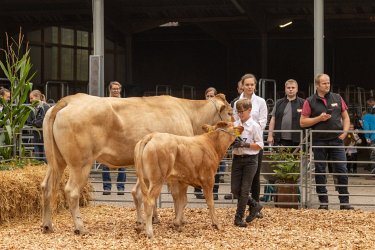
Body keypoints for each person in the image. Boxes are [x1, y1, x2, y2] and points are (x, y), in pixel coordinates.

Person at [300, 73, 353, 210]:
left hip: (336, 141)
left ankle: (344, 202)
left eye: (328, 82)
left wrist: (345, 132)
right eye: (324, 83)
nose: (327, 85)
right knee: (320, 171)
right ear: (317, 85)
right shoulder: (309, 101)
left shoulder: (337, 98)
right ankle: (323, 202)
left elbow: (346, 118)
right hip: (319, 141)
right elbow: (303, 122)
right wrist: (319, 119)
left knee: (342, 170)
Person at [230, 73, 268, 219]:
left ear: (255, 86)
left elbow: (263, 121)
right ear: (242, 86)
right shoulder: (237, 102)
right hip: (240, 140)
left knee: (255, 177)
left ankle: (256, 207)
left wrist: (251, 131)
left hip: (253, 139)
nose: (250, 87)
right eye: (247, 84)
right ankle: (252, 204)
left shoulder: (261, 101)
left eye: (252, 84)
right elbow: (234, 119)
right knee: (240, 184)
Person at [231, 98, 264, 227]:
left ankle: (238, 217)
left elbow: (260, 145)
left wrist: (246, 144)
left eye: (242, 112)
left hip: (250, 160)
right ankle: (255, 205)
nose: (240, 114)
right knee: (235, 189)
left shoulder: (254, 126)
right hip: (237, 159)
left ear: (249, 110)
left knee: (244, 190)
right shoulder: (235, 125)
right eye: (238, 112)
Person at [194, 87, 221, 200]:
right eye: (208, 96)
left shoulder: (219, 111)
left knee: (216, 167)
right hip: (201, 141)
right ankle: (198, 190)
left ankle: (214, 191)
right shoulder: (199, 111)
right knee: (199, 165)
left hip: (215, 144)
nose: (210, 98)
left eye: (212, 96)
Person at [102, 81, 126, 195]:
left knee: (122, 162)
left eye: (117, 89)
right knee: (105, 161)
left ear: (120, 90)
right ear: (110, 90)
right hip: (108, 134)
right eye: (114, 89)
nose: (116, 91)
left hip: (121, 135)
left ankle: (120, 187)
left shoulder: (125, 103)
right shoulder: (105, 102)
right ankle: (107, 187)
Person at [267, 79, 305, 147]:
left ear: (297, 89)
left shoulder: (304, 103)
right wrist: (270, 135)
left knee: (298, 158)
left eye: (293, 87)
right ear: (285, 89)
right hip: (280, 139)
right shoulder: (278, 102)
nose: (290, 89)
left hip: (298, 140)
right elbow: (273, 119)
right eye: (288, 88)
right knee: (280, 158)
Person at [27, 90, 50, 162]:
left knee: (44, 149)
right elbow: (28, 121)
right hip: (36, 133)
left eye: (31, 98)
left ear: (37, 97)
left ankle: (44, 163)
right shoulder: (32, 108)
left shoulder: (45, 106)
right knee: (37, 147)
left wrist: (34, 123)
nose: (30, 100)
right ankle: (38, 162)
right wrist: (34, 123)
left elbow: (42, 120)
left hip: (44, 133)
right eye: (30, 98)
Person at [362, 108, 375, 175]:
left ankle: (373, 171)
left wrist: (367, 137)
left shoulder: (367, 117)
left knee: (373, 155)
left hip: (373, 138)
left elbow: (366, 127)